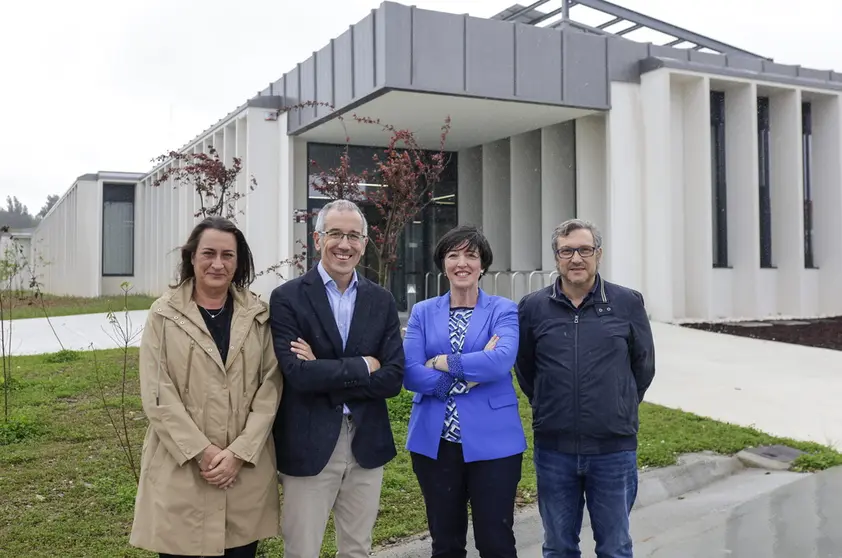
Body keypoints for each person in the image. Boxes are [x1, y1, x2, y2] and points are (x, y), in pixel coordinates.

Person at [130, 216, 283, 558]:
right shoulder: (164, 315)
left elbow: (270, 388)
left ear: (238, 261)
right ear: (192, 257)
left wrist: (239, 454)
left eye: (228, 255)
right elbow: (158, 394)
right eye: (208, 253)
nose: (218, 263)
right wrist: (205, 453)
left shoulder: (259, 315)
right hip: (181, 469)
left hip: (244, 473)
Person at [269, 199, 405, 558]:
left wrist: (324, 368)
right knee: (301, 550)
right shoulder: (288, 298)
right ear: (317, 240)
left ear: (363, 243)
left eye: (353, 236)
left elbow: (392, 378)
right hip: (309, 442)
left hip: (366, 443)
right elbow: (298, 375)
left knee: (358, 549)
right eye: (335, 234)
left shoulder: (381, 300)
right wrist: (363, 365)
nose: (344, 244)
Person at [514, 218, 655, 558]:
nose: (576, 258)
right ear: (556, 257)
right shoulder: (533, 307)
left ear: (598, 254)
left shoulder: (627, 303)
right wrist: (549, 405)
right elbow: (526, 368)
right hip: (554, 450)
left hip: (613, 450)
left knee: (615, 547)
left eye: (584, 250)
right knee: (559, 546)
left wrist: (617, 405)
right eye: (566, 251)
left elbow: (644, 366)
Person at [403, 224, 526, 558]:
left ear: (482, 264)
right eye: (453, 255)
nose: (462, 263)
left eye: (470, 255)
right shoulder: (423, 312)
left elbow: (499, 362)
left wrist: (441, 360)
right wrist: (466, 377)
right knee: (446, 544)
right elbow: (411, 373)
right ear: (443, 263)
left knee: (496, 541)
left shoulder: (503, 309)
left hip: (495, 444)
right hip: (435, 444)